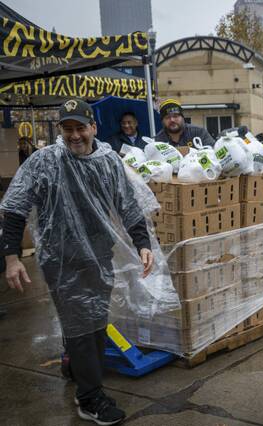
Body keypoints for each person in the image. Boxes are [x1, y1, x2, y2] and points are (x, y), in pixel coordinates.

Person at [0, 99, 154, 425]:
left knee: (93, 321)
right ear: (60, 130)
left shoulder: (108, 161)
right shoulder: (45, 161)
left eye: (80, 128)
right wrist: (11, 257)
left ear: (93, 128)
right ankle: (90, 398)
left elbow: (127, 204)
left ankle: (76, 366)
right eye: (67, 129)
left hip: (99, 254)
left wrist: (142, 243)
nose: (74, 135)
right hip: (61, 259)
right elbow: (15, 206)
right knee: (85, 324)